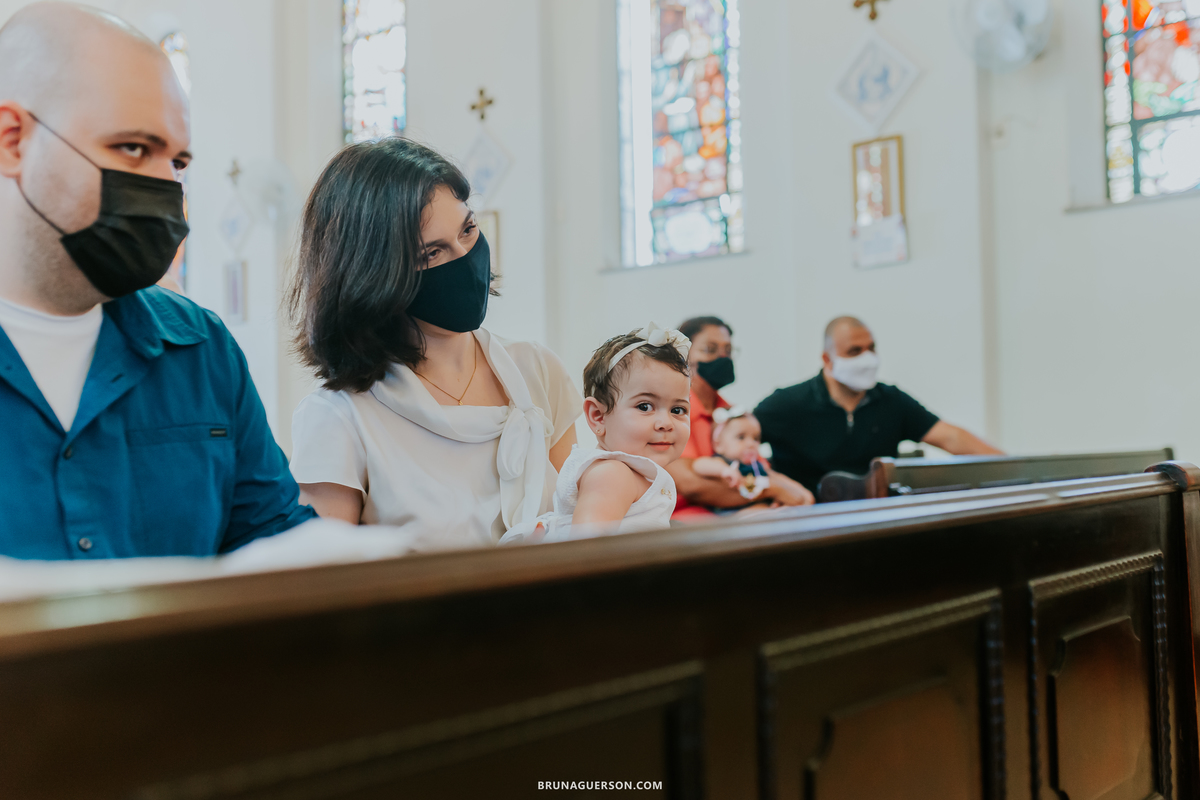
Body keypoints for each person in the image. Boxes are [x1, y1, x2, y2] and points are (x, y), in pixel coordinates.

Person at [0, 3, 315, 559]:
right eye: (134, 148)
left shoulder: (202, 351)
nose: (166, 187)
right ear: (13, 140)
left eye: (179, 162)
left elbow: (279, 555)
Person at [287, 138, 582, 547]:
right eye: (432, 254)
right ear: (374, 275)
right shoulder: (339, 417)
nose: (464, 257)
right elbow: (327, 585)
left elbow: (579, 525)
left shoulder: (536, 370)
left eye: (468, 229)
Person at [755, 316, 1003, 495]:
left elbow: (950, 437)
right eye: (854, 351)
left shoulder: (890, 401)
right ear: (826, 359)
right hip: (809, 523)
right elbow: (736, 444)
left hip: (878, 519)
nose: (867, 359)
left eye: (871, 348)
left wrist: (1016, 470)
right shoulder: (787, 405)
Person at [500, 323, 689, 544]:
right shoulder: (613, 473)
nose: (665, 423)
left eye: (678, 410)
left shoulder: (632, 474)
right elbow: (586, 554)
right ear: (598, 416)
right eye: (645, 406)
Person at [666, 315, 814, 519]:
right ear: (682, 356)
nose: (722, 357)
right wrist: (772, 489)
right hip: (686, 517)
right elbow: (691, 484)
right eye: (710, 349)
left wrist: (793, 494)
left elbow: (759, 468)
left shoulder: (733, 413)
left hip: (739, 510)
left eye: (727, 350)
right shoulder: (672, 412)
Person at [692, 408, 774, 510]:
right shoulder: (724, 462)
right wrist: (724, 470)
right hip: (731, 514)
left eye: (755, 439)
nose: (751, 444)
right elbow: (698, 465)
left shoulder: (757, 465)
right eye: (741, 437)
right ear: (718, 445)